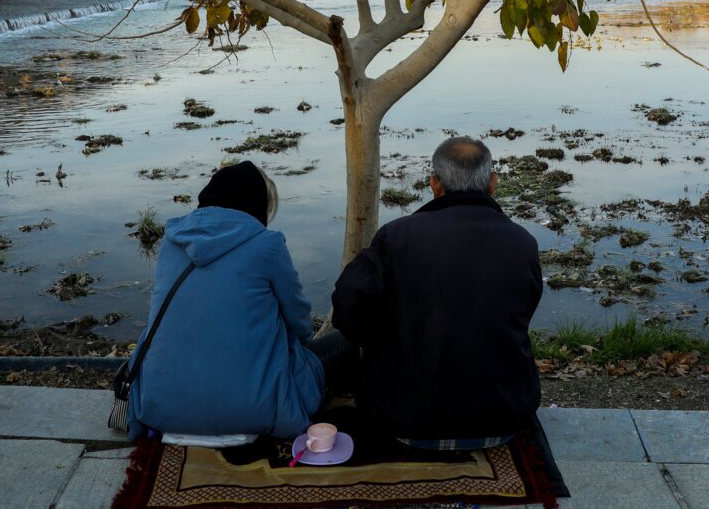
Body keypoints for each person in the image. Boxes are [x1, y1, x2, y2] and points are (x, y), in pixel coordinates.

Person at [330, 136, 542, 449]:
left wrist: (385, 341)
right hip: (505, 419)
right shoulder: (522, 242)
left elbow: (346, 308)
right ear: (493, 183)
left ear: (434, 184)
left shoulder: (397, 236)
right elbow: (523, 310)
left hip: (404, 422)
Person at [126, 160, 325, 440]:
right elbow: (298, 320)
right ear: (255, 204)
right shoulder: (267, 245)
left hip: (160, 407)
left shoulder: (171, 242)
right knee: (332, 352)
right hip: (253, 411)